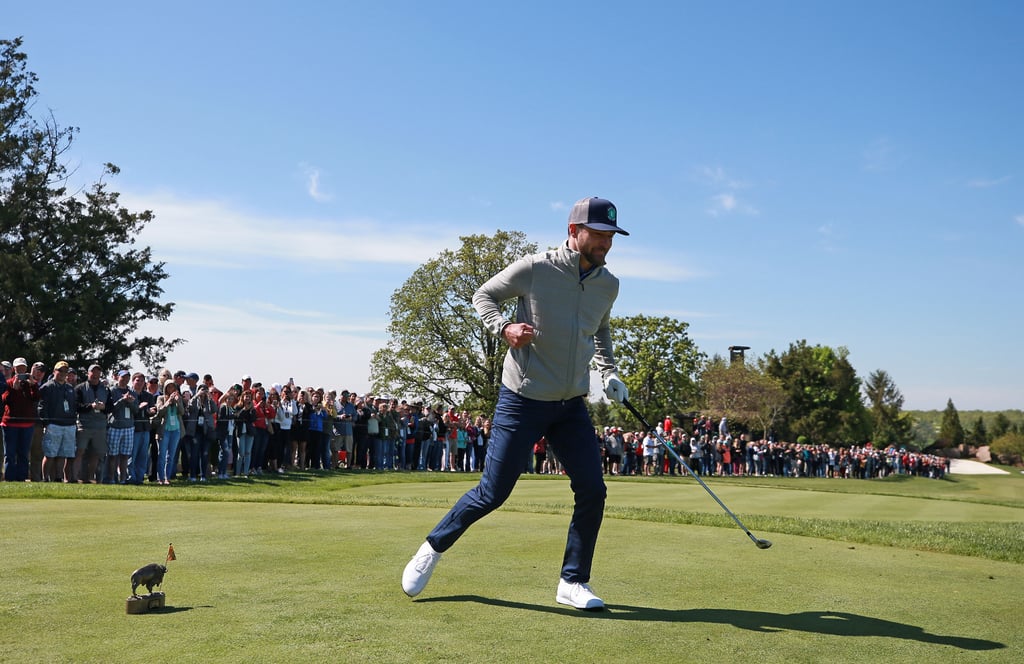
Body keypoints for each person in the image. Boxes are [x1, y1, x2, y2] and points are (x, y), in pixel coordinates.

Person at [401, 196, 630, 611]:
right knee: (493, 492)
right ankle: (432, 548)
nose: (604, 243)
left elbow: (601, 332)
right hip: (523, 397)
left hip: (570, 403)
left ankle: (572, 581)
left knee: (593, 490)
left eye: (610, 236)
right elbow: (483, 295)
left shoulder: (608, 284)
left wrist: (609, 373)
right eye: (597, 234)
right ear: (573, 231)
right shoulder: (536, 268)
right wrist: (504, 326)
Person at [38, 361, 78, 482]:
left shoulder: (70, 388)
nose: (63, 373)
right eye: (60, 371)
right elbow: (42, 407)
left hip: (69, 425)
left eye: (65, 371)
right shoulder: (47, 387)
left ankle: (58, 478)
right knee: (50, 454)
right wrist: (46, 423)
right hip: (53, 425)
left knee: (62, 454)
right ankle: (45, 478)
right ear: (54, 371)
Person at [2, 357, 41, 481]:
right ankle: (9, 478)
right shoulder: (8, 383)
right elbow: (5, 400)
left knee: (23, 454)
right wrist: (14, 388)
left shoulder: (30, 384)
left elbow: (36, 398)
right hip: (10, 424)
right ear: (14, 369)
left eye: (23, 368)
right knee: (10, 454)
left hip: (27, 424)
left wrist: (33, 385)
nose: (21, 370)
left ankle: (21, 478)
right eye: (18, 368)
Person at [74, 364, 111, 483]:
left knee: (96, 453)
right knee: (79, 452)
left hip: (100, 426)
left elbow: (111, 408)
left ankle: (90, 478)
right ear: (88, 373)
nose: (95, 374)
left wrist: (103, 407)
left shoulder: (105, 389)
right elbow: (76, 406)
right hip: (84, 425)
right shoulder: (79, 388)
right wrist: (91, 406)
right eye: (93, 372)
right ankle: (75, 478)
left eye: (98, 372)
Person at [105, 369, 138, 484]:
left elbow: (136, 410)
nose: (125, 380)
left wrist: (130, 402)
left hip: (128, 427)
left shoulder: (132, 392)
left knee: (125, 456)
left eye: (127, 377)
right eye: (123, 377)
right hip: (115, 426)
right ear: (117, 377)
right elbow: (110, 408)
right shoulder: (112, 391)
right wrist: (122, 400)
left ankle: (123, 479)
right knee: (112, 455)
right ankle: (111, 478)